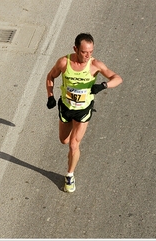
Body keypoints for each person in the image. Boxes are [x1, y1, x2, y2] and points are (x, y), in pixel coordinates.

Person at [46, 33, 123, 193]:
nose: (88, 56)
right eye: (84, 52)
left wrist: (103, 85)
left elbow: (117, 78)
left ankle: (70, 176)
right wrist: (50, 96)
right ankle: (72, 135)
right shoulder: (63, 62)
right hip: (66, 108)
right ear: (75, 49)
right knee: (64, 140)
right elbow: (50, 76)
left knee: (74, 144)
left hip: (83, 110)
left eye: (91, 52)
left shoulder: (95, 65)